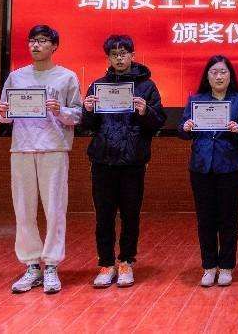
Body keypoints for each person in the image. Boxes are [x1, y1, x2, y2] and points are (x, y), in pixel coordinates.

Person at [0, 24, 82, 294]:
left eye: (43, 41)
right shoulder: (16, 77)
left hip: (54, 148)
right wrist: (4, 112)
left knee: (55, 209)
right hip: (22, 148)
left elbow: (77, 115)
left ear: (54, 46)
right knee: (23, 209)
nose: (36, 45)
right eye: (33, 40)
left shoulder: (66, 77)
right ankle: (32, 265)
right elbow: (3, 117)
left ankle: (52, 265)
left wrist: (60, 110)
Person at [81, 35, 165, 289]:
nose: (119, 58)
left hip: (133, 161)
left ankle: (126, 261)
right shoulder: (98, 85)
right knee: (103, 216)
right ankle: (106, 264)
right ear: (108, 58)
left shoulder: (147, 86)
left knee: (130, 215)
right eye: (114, 54)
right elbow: (87, 126)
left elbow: (158, 122)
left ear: (132, 55)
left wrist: (145, 111)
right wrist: (88, 110)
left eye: (123, 53)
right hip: (103, 159)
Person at [179, 55, 238, 287]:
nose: (219, 76)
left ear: (230, 75)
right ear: (207, 76)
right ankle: (209, 266)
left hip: (229, 167)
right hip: (201, 167)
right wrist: (186, 127)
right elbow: (182, 131)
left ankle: (226, 266)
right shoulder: (196, 100)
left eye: (223, 72)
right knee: (205, 219)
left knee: (228, 219)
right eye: (214, 72)